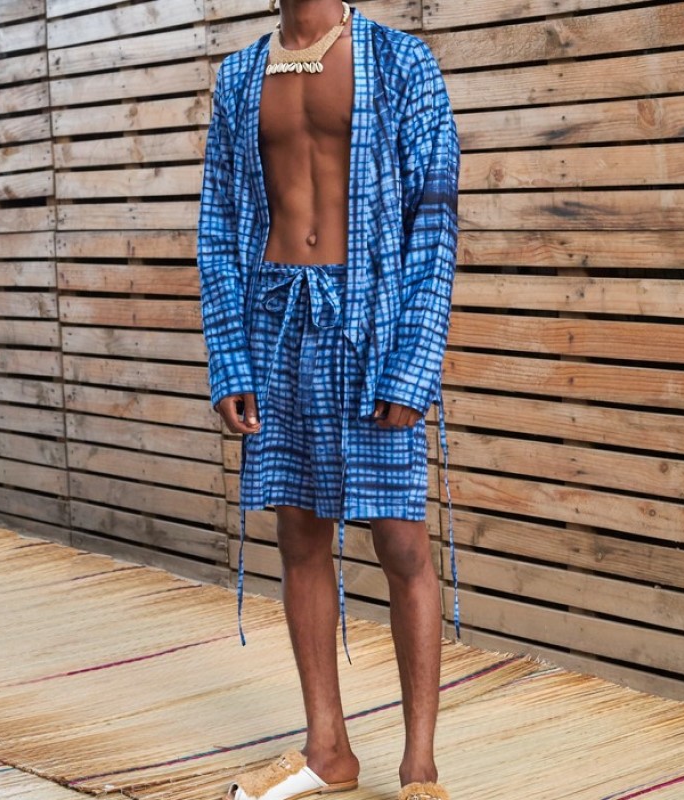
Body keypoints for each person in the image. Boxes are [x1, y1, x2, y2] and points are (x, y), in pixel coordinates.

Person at [197, 0, 459, 798]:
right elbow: (218, 224)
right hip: (276, 323)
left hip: (372, 327)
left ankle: (420, 768)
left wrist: (413, 362)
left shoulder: (402, 62)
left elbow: (435, 221)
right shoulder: (239, 76)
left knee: (402, 544)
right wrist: (229, 356)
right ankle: (328, 750)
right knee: (300, 535)